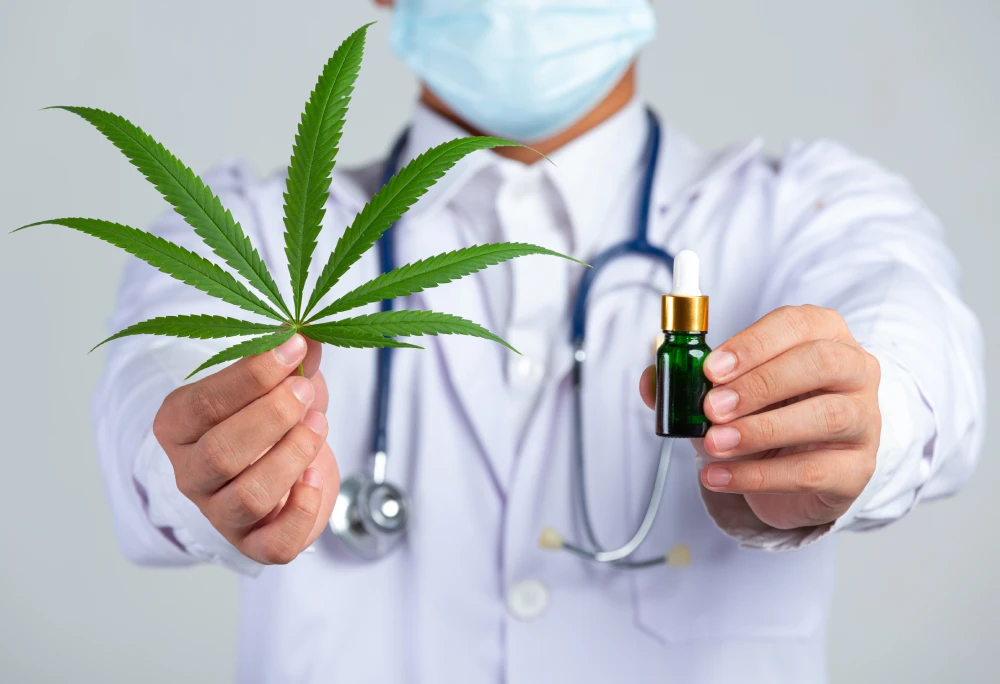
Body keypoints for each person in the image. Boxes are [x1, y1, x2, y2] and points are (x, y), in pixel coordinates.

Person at [93, 1, 985, 682]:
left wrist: (865, 416)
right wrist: (199, 457)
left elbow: (910, 324)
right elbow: (156, 383)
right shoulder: (246, 232)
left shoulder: (804, 209)